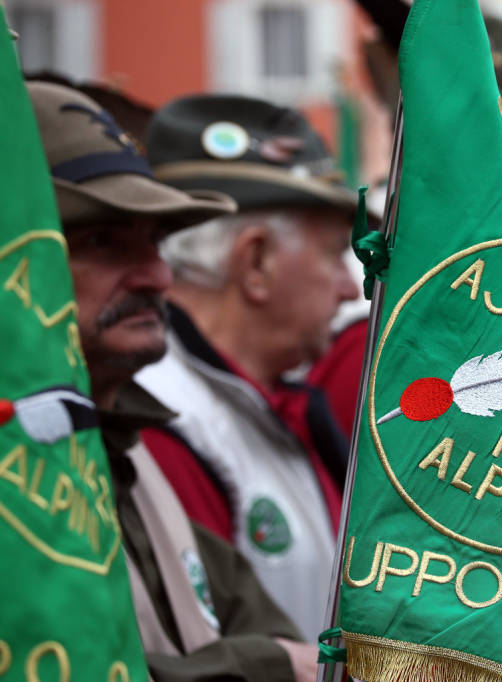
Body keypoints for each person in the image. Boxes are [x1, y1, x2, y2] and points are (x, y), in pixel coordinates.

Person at [27, 80, 318, 681]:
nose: (157, 275)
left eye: (156, 241)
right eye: (103, 240)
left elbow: (283, 636)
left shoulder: (128, 448)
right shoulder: (40, 455)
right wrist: (262, 668)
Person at [133, 94, 361, 641]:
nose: (350, 287)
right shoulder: (162, 424)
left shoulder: (268, 406)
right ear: (255, 261)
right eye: (334, 254)